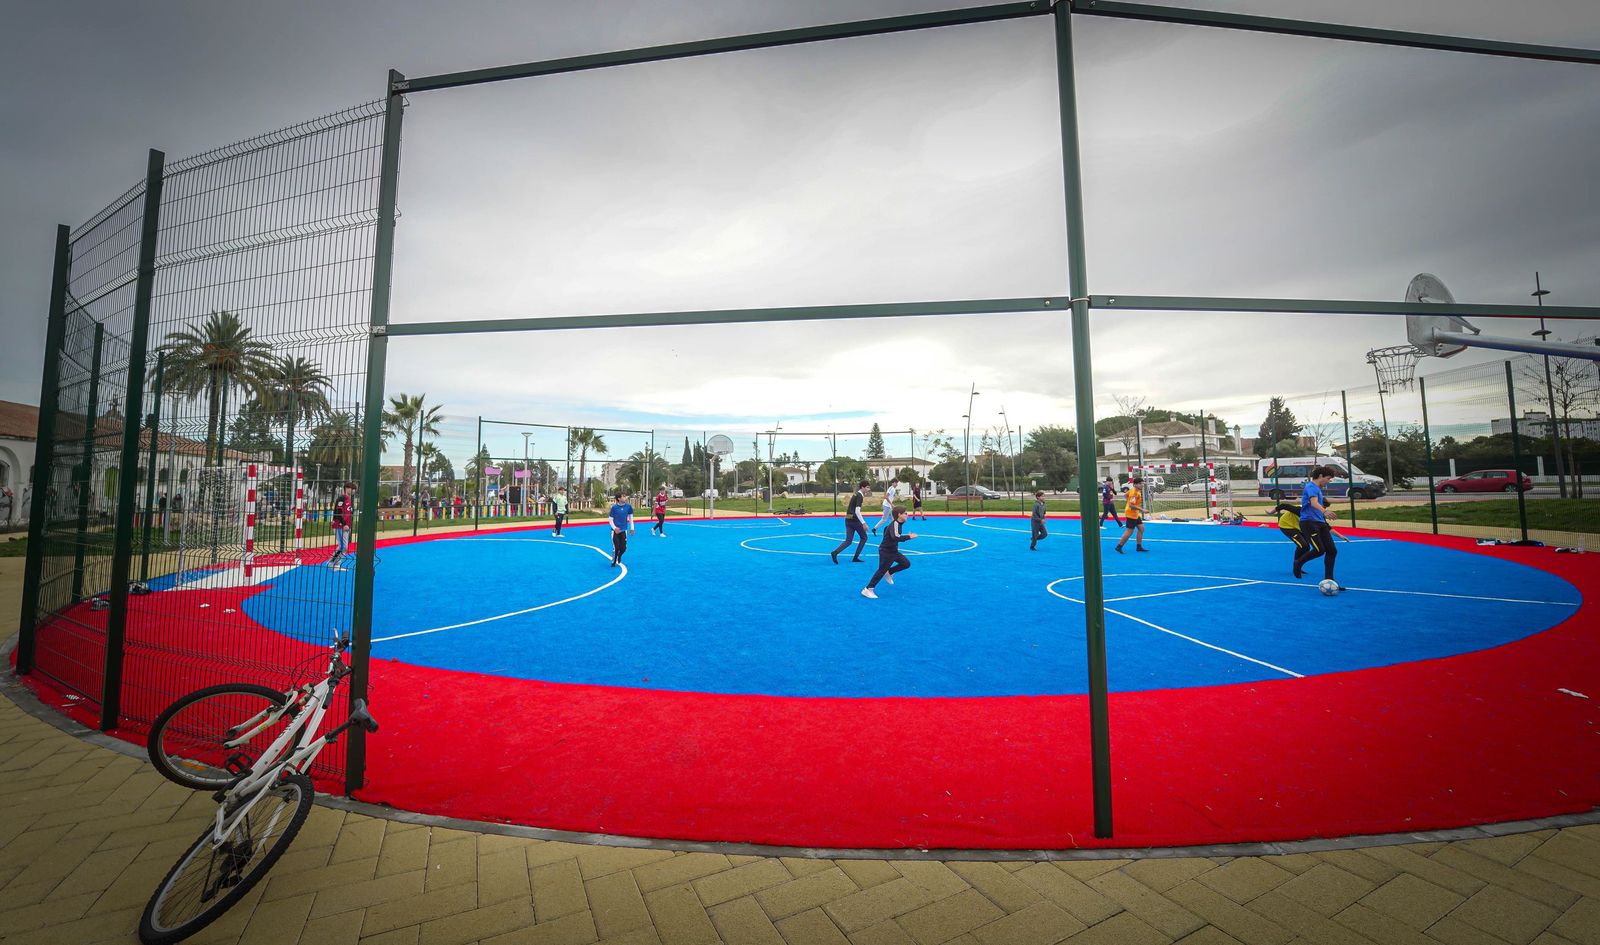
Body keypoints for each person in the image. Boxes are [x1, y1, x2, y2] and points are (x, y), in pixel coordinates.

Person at [1292, 466, 1340, 586]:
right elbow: (1314, 503)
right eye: (1328, 478)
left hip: (1320, 523)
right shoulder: (1311, 487)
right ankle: (1298, 563)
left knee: (1332, 551)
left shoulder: (1317, 488)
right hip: (1308, 523)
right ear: (1320, 476)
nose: (1328, 481)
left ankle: (1329, 580)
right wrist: (1325, 511)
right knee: (1319, 550)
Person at [862, 504, 916, 599]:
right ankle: (868, 589)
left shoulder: (898, 524)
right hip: (886, 552)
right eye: (905, 513)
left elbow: (888, 531)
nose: (907, 515)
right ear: (899, 515)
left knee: (906, 563)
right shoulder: (895, 524)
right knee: (881, 571)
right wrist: (908, 537)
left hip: (893, 551)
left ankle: (889, 572)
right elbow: (895, 537)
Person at [832, 481, 872, 564]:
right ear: (862, 487)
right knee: (864, 538)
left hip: (848, 519)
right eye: (867, 487)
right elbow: (857, 511)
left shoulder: (855, 494)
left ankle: (835, 552)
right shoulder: (860, 496)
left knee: (848, 541)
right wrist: (864, 523)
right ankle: (855, 557)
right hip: (855, 520)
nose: (869, 489)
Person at [1114, 476, 1148, 553]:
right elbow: (1131, 506)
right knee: (1129, 531)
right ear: (1135, 484)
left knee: (1141, 529)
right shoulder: (1134, 493)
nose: (1142, 485)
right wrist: (1142, 509)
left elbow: (1125, 495)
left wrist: (1128, 502)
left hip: (1135, 514)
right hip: (1131, 514)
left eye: (1142, 483)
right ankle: (1119, 546)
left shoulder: (1134, 490)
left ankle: (1139, 546)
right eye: (1140, 484)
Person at [329, 481, 354, 570]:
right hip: (340, 526)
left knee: (344, 546)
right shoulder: (342, 498)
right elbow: (338, 511)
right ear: (347, 488)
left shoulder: (348, 499)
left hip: (346, 526)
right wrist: (343, 524)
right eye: (352, 489)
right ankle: (332, 562)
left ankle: (336, 564)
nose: (353, 491)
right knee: (343, 546)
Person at [608, 491, 635, 568]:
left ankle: (620, 555)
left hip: (624, 530)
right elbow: (610, 519)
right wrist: (614, 528)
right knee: (616, 547)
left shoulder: (628, 507)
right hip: (615, 532)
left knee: (623, 548)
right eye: (623, 496)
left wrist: (632, 528)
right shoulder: (614, 508)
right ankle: (613, 561)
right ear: (619, 498)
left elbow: (631, 518)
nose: (625, 497)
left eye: (625, 496)